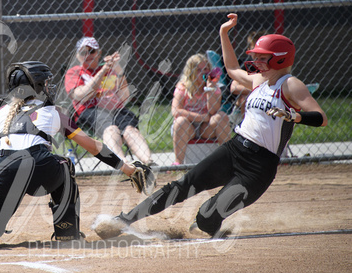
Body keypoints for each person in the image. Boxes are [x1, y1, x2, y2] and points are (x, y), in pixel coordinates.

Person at [93, 13, 328, 239]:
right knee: (182, 185)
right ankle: (122, 220)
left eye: (262, 57)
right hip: (235, 149)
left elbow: (320, 117)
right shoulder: (259, 80)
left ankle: (210, 222)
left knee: (205, 218)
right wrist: (223, 33)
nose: (256, 61)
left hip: (259, 167)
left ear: (280, 58)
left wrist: (296, 117)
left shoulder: (291, 84)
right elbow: (233, 70)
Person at [0, 61, 145, 251]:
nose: (48, 87)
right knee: (65, 164)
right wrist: (127, 168)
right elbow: (93, 146)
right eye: (45, 83)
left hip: (6, 167)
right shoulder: (54, 112)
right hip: (40, 167)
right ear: (36, 86)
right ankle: (67, 231)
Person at [64, 37, 153, 164]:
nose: (88, 55)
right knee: (111, 129)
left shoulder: (111, 70)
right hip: (91, 111)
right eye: (83, 52)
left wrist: (119, 70)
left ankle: (149, 162)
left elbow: (125, 97)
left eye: (91, 51)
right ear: (77, 55)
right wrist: (103, 71)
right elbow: (80, 95)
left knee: (130, 130)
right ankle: (124, 165)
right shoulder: (74, 72)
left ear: (99, 53)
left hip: (116, 109)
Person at [171, 53, 231, 165]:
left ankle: (229, 160)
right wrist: (200, 117)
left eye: (206, 69)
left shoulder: (214, 86)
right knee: (180, 121)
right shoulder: (183, 86)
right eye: (199, 70)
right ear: (191, 72)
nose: (204, 73)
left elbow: (213, 111)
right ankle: (178, 163)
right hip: (188, 127)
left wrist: (209, 89)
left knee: (221, 117)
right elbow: (175, 111)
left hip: (206, 127)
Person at [227, 30, 268, 125]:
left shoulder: (272, 66)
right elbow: (234, 87)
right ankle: (247, 125)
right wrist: (258, 89)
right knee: (244, 97)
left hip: (267, 98)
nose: (258, 54)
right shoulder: (247, 66)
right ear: (249, 50)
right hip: (248, 98)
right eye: (254, 49)